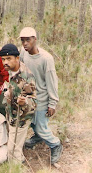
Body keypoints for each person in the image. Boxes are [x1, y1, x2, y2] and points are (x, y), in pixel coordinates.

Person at [19, 27, 63, 164]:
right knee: (32, 122)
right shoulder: (23, 53)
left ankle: (55, 144)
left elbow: (52, 81)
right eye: (22, 40)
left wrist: (52, 103)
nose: (25, 43)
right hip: (28, 97)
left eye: (28, 40)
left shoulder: (46, 58)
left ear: (35, 39)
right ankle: (38, 137)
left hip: (42, 99)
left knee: (41, 126)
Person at [0, 44, 37, 163]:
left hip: (21, 119)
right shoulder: (10, 71)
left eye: (9, 59)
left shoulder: (26, 77)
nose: (5, 62)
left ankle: (15, 167)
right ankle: (19, 160)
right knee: (14, 146)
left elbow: (34, 102)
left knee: (12, 150)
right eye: (3, 59)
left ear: (17, 58)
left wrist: (25, 101)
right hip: (11, 115)